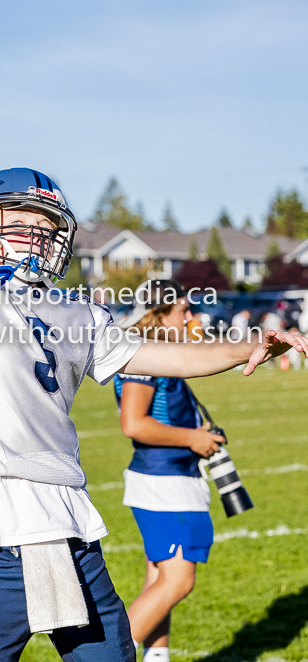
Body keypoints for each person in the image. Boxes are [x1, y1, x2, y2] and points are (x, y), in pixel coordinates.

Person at [0, 67, 308, 662]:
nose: (34, 235)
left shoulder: (73, 312)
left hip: (70, 524)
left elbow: (163, 353)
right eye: (18, 222)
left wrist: (246, 347)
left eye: (45, 227)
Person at [114, 280, 223, 662]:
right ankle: (105, 658)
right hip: (165, 480)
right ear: (158, 314)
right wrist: (192, 439)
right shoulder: (144, 354)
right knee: (178, 582)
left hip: (165, 477)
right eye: (182, 310)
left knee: (158, 583)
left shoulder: (157, 350)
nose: (191, 316)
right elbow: (134, 423)